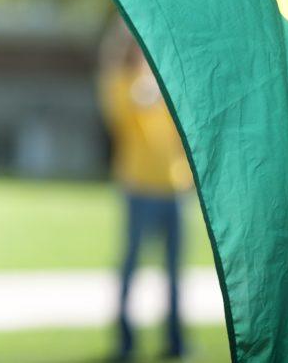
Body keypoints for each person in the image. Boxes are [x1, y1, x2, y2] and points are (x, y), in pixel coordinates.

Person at [98, 20, 193, 360]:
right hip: (139, 189)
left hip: (174, 189)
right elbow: (120, 101)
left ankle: (176, 342)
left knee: (174, 272)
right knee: (130, 268)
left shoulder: (168, 86)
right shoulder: (122, 84)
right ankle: (125, 342)